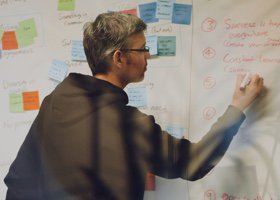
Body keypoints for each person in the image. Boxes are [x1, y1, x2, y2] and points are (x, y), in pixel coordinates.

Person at [4, 12, 264, 200]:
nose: (148, 55)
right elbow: (193, 163)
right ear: (120, 58)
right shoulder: (127, 124)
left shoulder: (56, 100)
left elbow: (20, 179)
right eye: (142, 49)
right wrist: (237, 108)